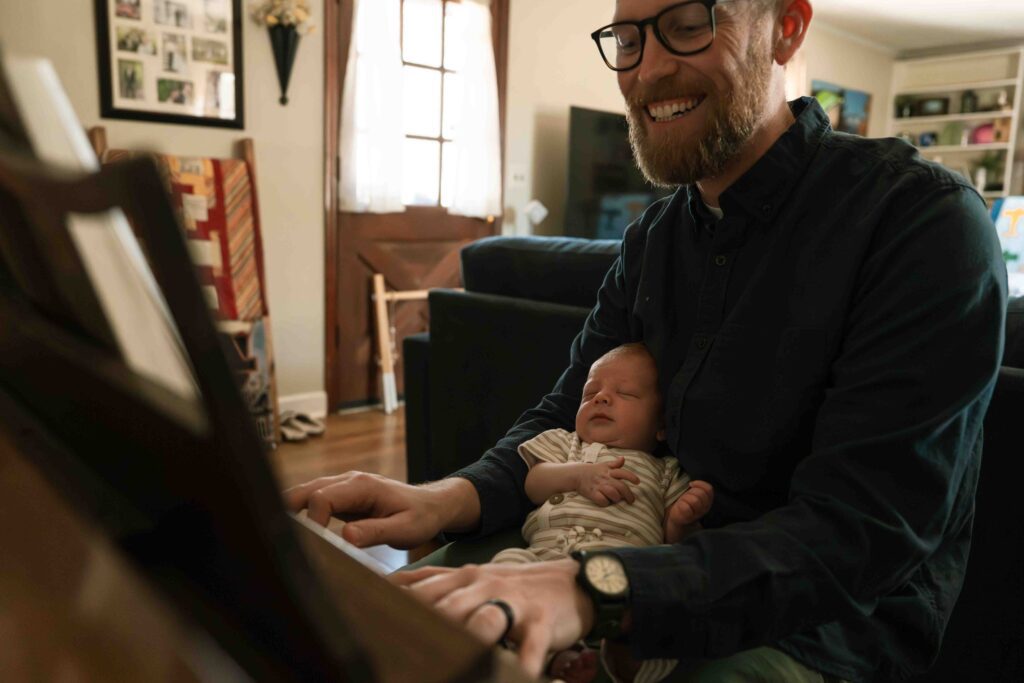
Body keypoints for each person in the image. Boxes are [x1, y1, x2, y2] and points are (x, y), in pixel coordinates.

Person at [286, 0, 1007, 680]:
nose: (647, 69)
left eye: (689, 22)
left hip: (814, 629)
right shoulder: (653, 241)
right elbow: (563, 415)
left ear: (785, 27)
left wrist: (596, 586)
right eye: (628, 39)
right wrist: (445, 497)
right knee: (379, 631)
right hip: (607, 546)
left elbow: (858, 534)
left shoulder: (919, 223)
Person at [492, 343, 714, 683]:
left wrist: (683, 519)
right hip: (546, 560)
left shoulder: (666, 470)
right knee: (506, 568)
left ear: (661, 426)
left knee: (666, 609)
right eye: (590, 392)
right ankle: (555, 655)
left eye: (624, 393)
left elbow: (676, 542)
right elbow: (533, 483)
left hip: (623, 576)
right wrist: (577, 475)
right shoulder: (566, 444)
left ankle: (626, 657)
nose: (601, 398)